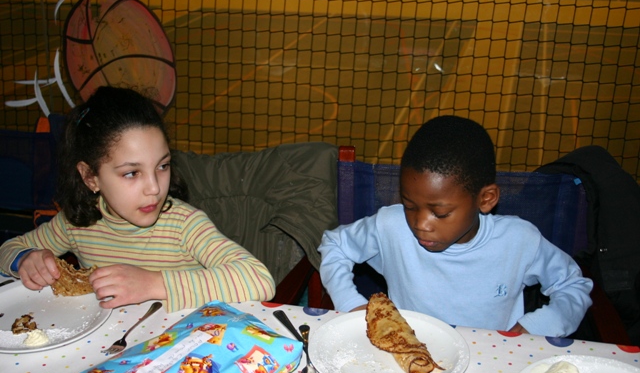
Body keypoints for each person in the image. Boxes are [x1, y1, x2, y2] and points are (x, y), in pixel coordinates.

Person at [0, 86, 275, 312]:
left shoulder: (184, 225)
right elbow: (8, 248)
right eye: (132, 173)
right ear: (89, 177)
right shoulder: (75, 223)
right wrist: (25, 259)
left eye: (162, 166)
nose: (154, 188)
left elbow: (259, 279)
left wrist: (153, 284)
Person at [318, 115, 593, 337]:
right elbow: (334, 244)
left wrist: (542, 325)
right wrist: (349, 303)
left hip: (492, 366)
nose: (421, 224)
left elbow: (572, 284)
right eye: (410, 205)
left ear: (486, 199)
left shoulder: (519, 241)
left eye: (441, 213)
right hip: (412, 357)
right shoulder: (391, 226)